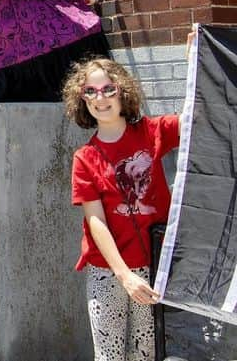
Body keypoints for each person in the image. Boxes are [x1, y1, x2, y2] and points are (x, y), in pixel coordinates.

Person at [65, 57, 179, 360]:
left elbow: (198, 113)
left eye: (108, 89)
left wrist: (196, 55)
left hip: (153, 267)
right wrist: (125, 275)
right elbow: (96, 222)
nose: (100, 98)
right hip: (108, 271)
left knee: (147, 353)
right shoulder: (85, 157)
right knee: (111, 356)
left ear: (122, 92)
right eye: (90, 91)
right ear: (82, 98)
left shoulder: (152, 132)